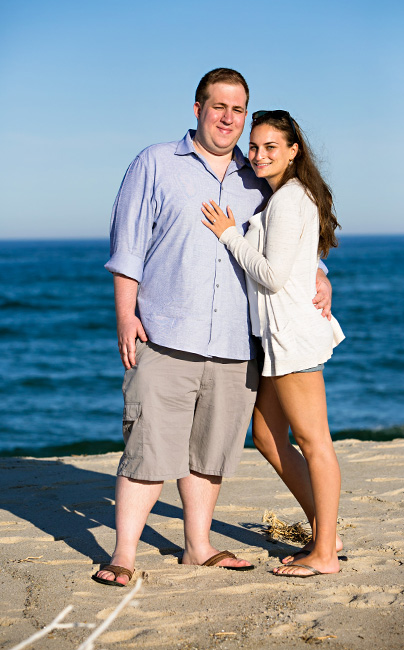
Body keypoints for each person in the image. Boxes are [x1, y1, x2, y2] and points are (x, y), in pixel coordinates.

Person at [94, 69, 332, 587]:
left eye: (238, 109)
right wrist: (124, 314)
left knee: (209, 450)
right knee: (149, 449)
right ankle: (124, 556)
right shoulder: (155, 163)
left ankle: (198, 547)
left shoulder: (258, 175)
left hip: (235, 343)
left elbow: (290, 239)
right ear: (198, 108)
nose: (228, 118)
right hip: (164, 333)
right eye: (218, 106)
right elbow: (128, 247)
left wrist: (321, 272)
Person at [201, 109, 345, 577]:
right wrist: (322, 274)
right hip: (276, 338)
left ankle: (325, 553)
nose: (259, 156)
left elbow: (271, 273)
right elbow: (302, 262)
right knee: (265, 435)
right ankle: (326, 531)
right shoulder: (282, 196)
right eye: (256, 146)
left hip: (292, 336)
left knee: (313, 441)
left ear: (292, 151)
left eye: (271, 148)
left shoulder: (289, 199)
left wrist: (228, 235)